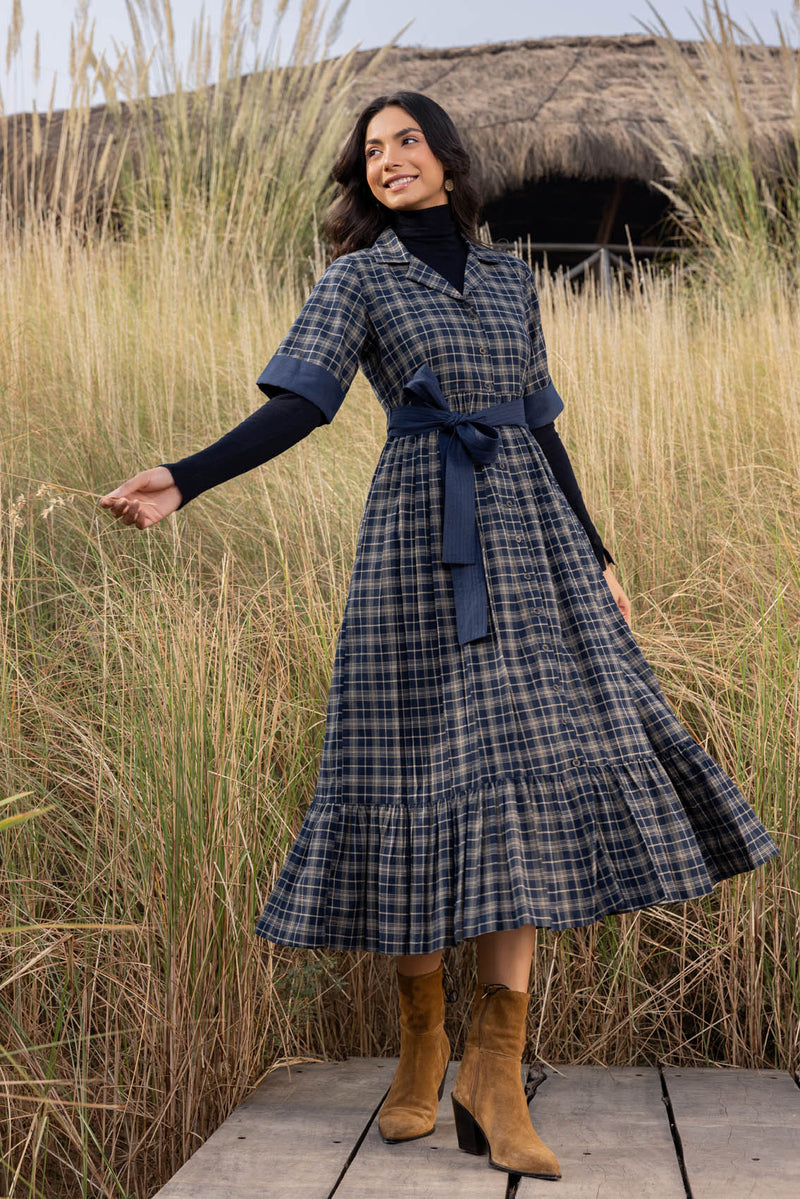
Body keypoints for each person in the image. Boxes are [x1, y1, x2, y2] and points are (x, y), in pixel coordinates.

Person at [100, 91, 779, 1183]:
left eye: (404, 140)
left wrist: (597, 553)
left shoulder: (511, 278)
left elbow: (539, 425)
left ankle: (493, 1068)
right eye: (369, 151)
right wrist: (185, 477)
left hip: (532, 542)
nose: (387, 160)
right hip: (418, 542)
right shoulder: (357, 278)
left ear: (446, 158)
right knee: (410, 778)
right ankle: (422, 1040)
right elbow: (303, 406)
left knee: (517, 778)